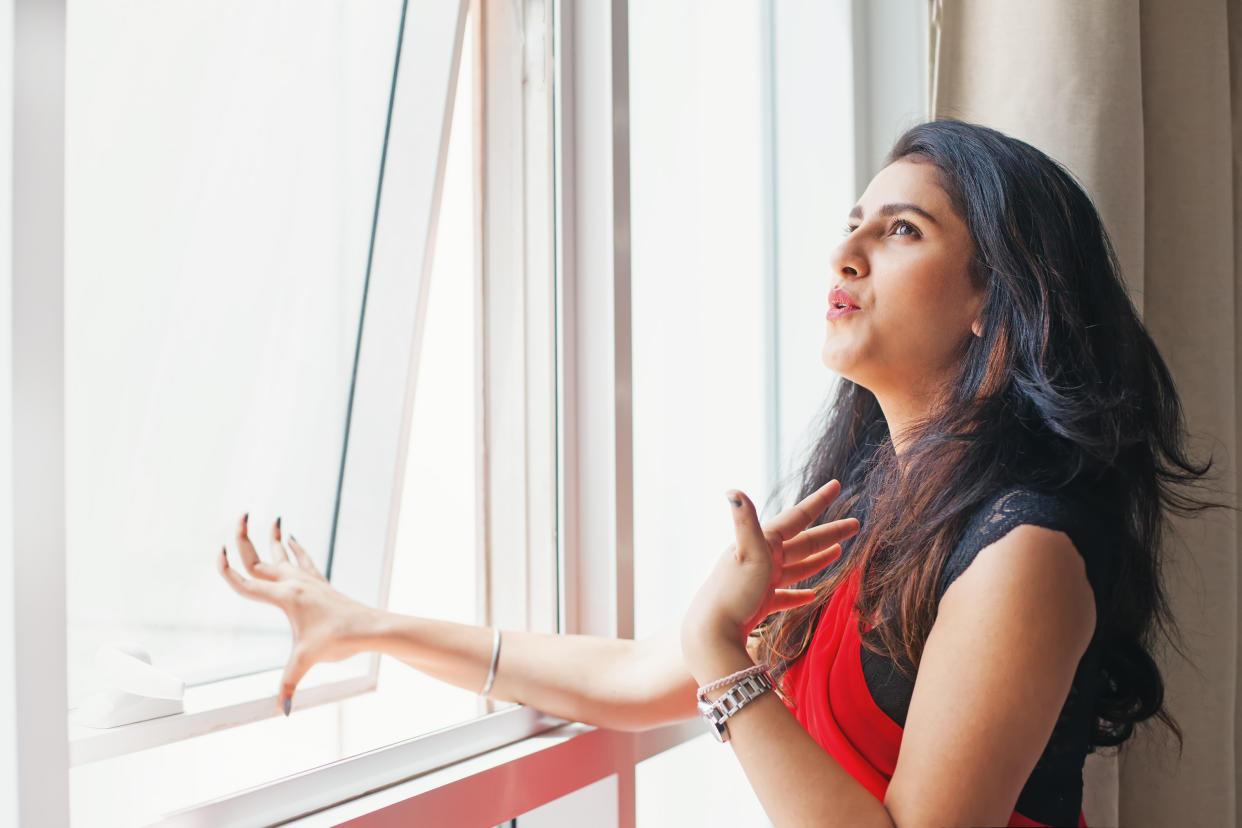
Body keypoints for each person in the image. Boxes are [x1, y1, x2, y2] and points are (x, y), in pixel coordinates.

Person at [216, 119, 1225, 828]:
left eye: (901, 230)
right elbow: (627, 679)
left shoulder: (1024, 553)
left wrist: (720, 650)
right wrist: (367, 623)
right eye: (854, 220)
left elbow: (708, 674)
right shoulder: (872, 503)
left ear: (990, 304)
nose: (847, 251)